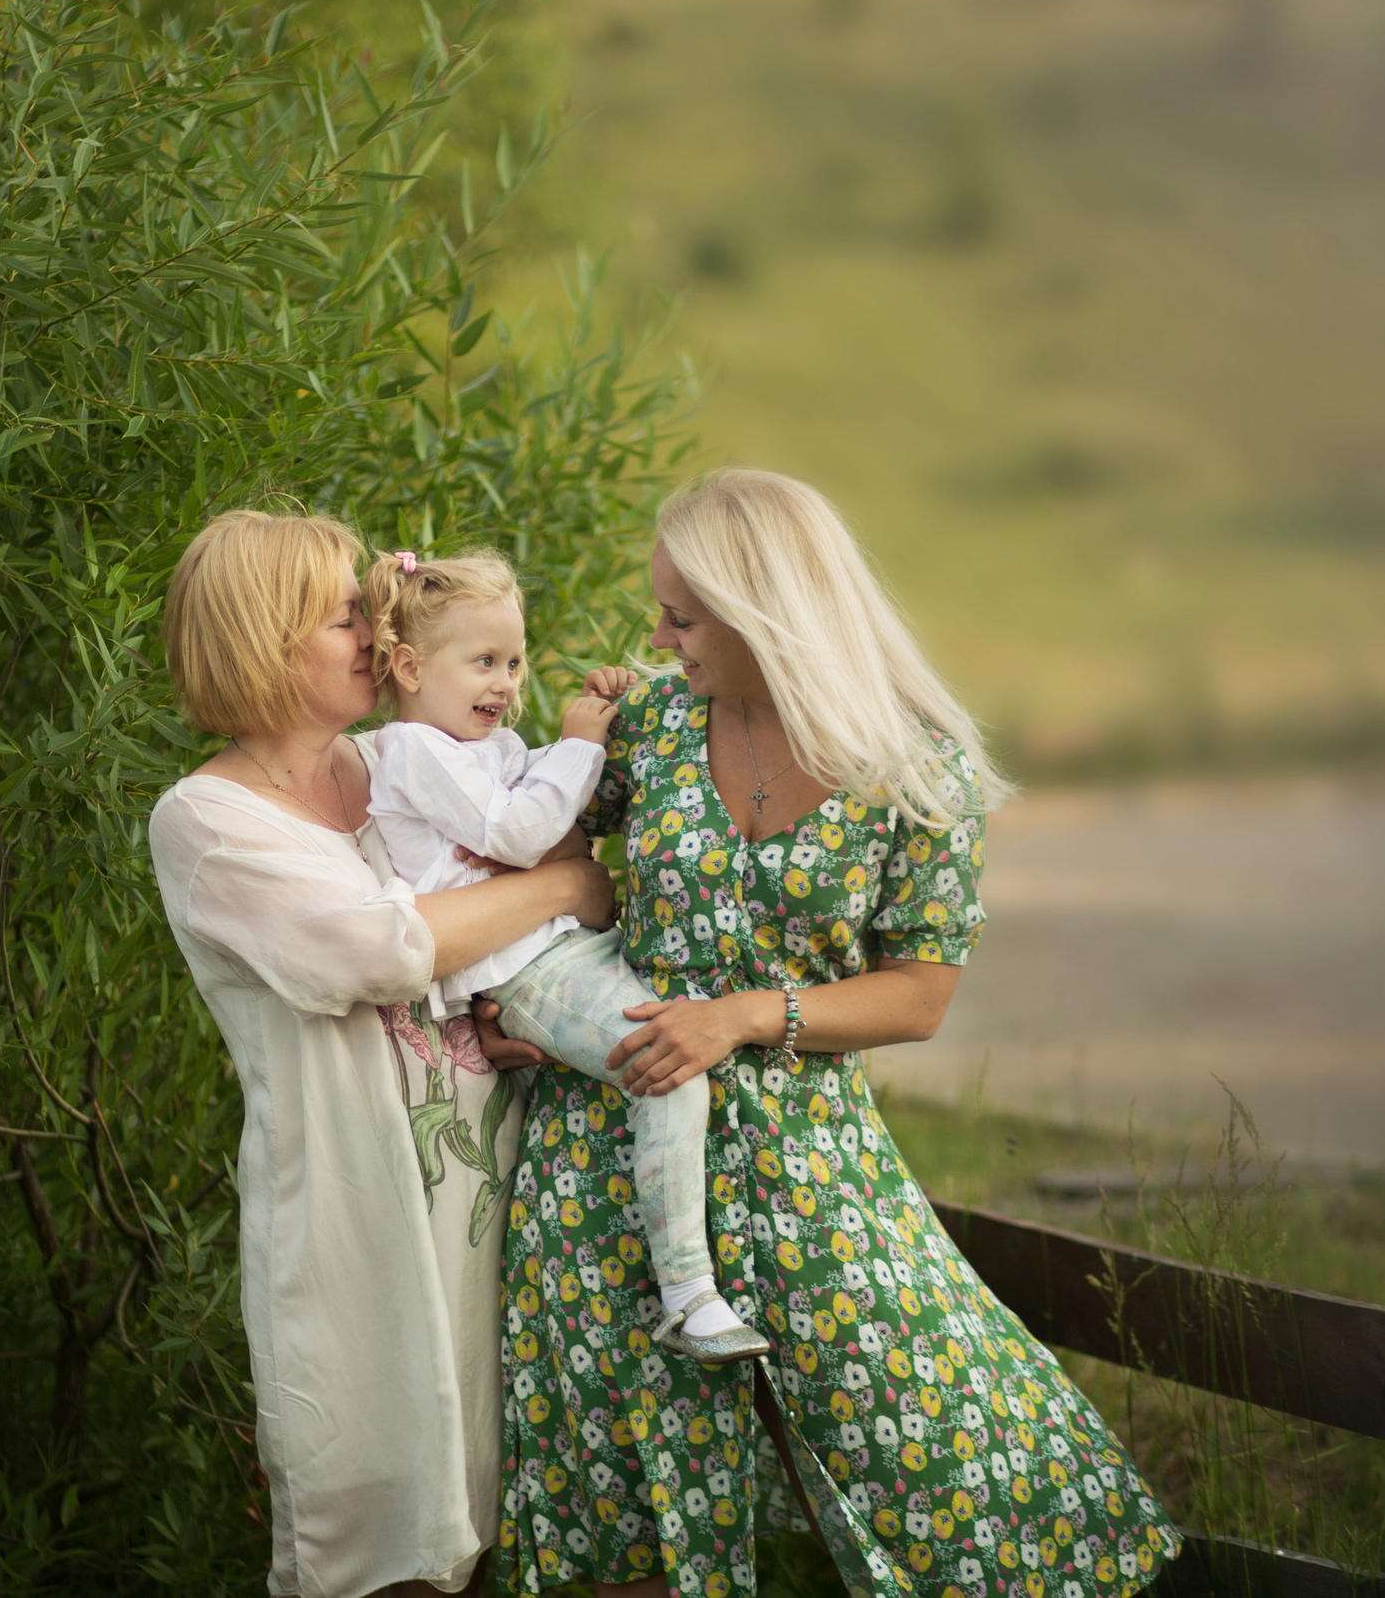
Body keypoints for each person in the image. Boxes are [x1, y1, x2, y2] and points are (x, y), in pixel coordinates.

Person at [493, 471, 1182, 1598]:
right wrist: (513, 1000)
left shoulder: (912, 766)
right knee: (630, 1483)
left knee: (941, 1424)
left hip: (807, 1154)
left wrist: (746, 1015)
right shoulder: (651, 724)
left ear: (763, 613)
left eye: (682, 617)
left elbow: (919, 994)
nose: (658, 638)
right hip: (610, 1148)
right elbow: (521, 857)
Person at [145, 509, 618, 1598]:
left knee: (489, 1511)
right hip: (357, 1221)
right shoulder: (207, 821)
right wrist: (564, 885)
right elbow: (378, 949)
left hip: (483, 1194)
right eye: (345, 617)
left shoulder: (394, 762)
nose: (377, 633)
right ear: (265, 642)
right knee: (377, 1536)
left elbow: (484, 909)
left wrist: (507, 1012)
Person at [356, 545, 768, 1364]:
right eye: (484, 661)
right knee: (667, 1065)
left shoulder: (477, 745)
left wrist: (602, 718)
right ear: (408, 666)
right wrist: (579, 746)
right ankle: (688, 1294)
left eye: (514, 662)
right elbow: (520, 831)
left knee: (673, 1056)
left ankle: (697, 1278)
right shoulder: (411, 751)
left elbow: (543, 784)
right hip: (523, 973)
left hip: (561, 952)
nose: (506, 683)